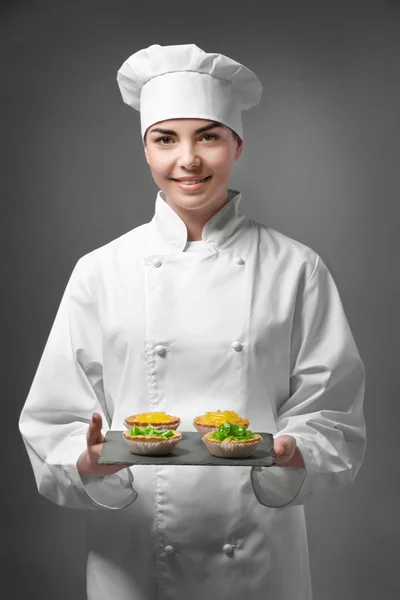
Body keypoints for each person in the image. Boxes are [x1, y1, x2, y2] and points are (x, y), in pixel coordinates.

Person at [19, 43, 366, 600]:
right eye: (166, 139)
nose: (189, 160)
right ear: (145, 149)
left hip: (257, 551)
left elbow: (332, 410)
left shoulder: (296, 267)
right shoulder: (101, 270)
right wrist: (84, 461)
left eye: (208, 136)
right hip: (134, 551)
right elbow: (54, 417)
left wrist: (297, 451)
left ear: (237, 145)